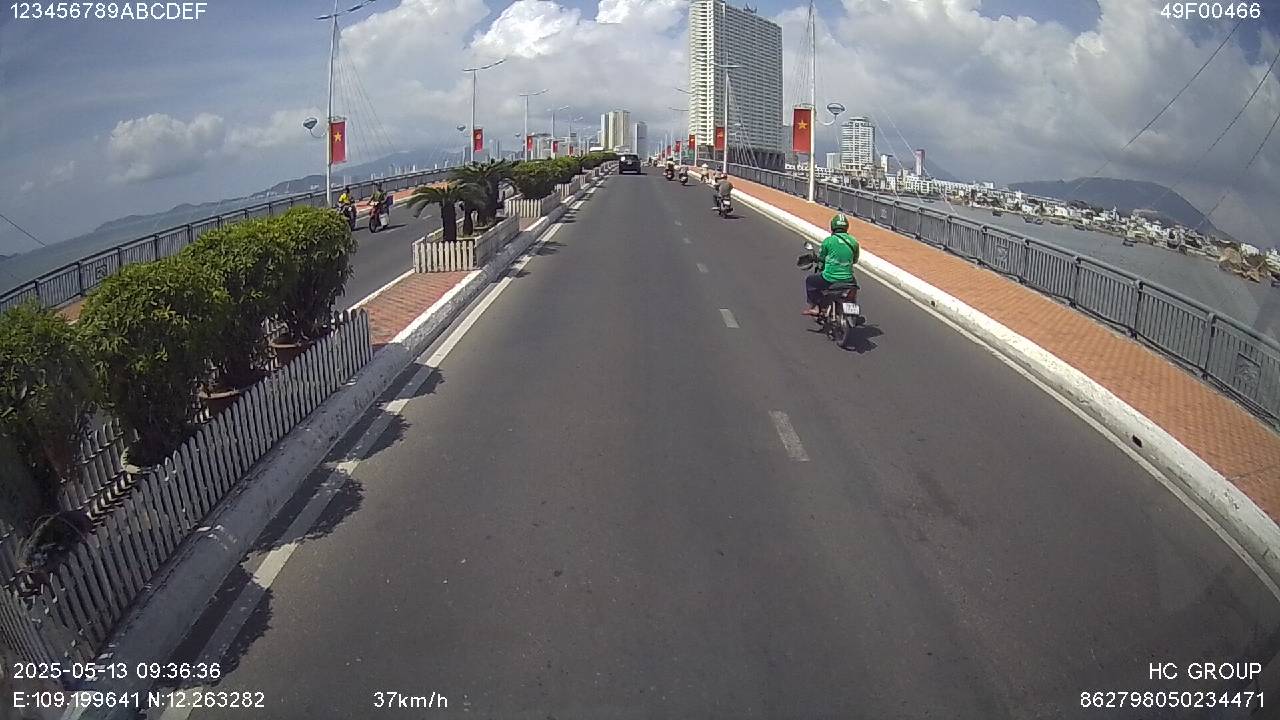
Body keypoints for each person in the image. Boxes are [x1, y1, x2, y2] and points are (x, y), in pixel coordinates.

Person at [803, 214, 860, 316]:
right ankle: (852, 305)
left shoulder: (828, 241)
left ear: (833, 227)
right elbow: (854, 260)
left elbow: (821, 258)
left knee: (810, 281)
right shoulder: (854, 242)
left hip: (829, 278)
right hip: (848, 278)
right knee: (854, 286)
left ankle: (815, 307)